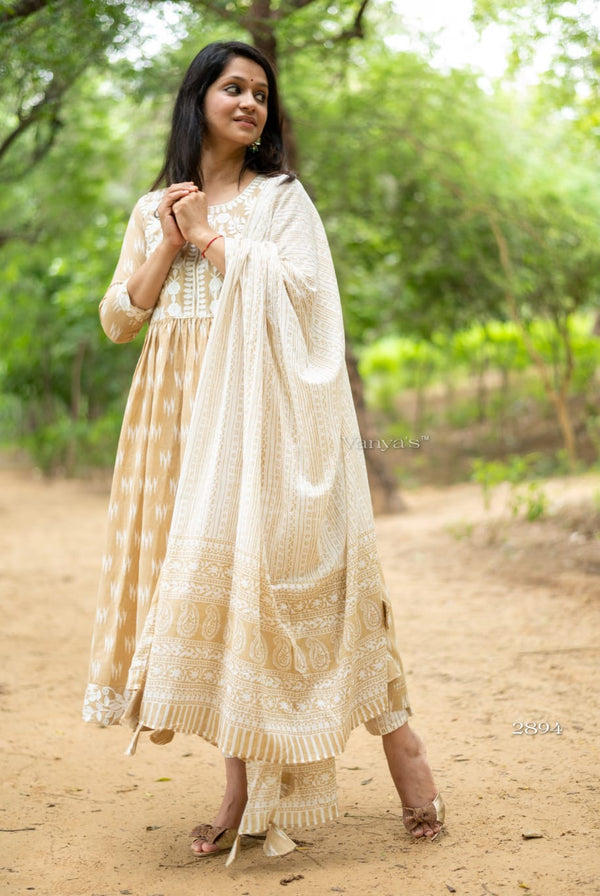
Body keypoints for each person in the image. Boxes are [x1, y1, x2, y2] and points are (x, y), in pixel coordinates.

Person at [83, 39, 445, 863]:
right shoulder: (152, 208)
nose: (250, 103)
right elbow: (118, 318)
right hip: (172, 422)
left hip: (258, 418)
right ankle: (240, 785)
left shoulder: (281, 198)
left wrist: (213, 238)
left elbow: (309, 302)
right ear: (198, 98)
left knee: (293, 580)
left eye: (261, 93)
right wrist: (174, 236)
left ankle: (403, 747)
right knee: (223, 602)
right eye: (233, 88)